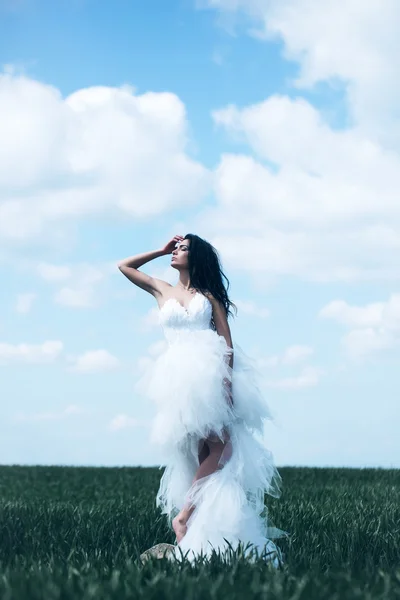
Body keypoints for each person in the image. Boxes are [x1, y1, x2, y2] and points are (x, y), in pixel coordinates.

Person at [118, 233, 287, 564]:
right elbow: (124, 266)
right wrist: (160, 249)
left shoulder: (209, 297)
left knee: (219, 444)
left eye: (183, 249)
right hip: (176, 378)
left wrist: (226, 386)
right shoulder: (160, 289)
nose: (176, 252)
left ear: (196, 259)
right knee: (204, 451)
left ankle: (186, 517)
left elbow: (226, 342)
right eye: (177, 248)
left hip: (209, 374)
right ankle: (188, 520)